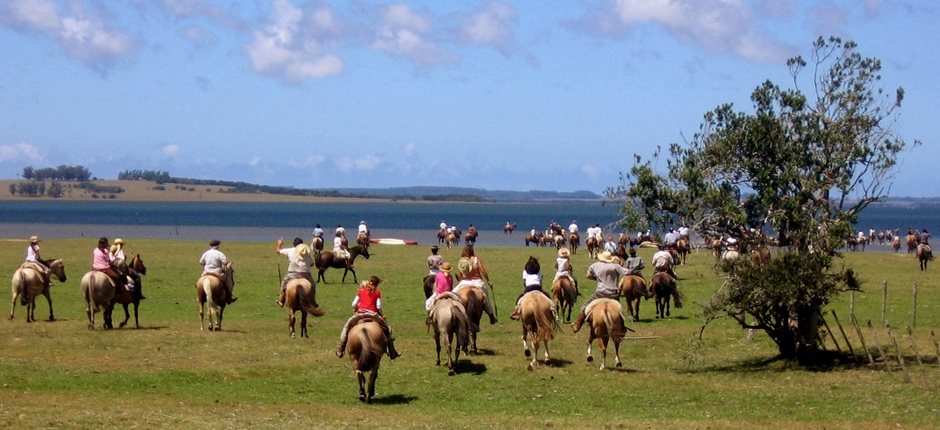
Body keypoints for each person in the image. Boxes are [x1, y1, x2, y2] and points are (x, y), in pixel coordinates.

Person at [336, 276, 401, 359]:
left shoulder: (361, 291)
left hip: (360, 314)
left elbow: (353, 304)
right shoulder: (377, 292)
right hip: (373, 314)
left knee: (346, 327)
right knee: (388, 329)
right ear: (377, 285)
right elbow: (378, 306)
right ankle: (392, 351)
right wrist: (380, 313)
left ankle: (340, 348)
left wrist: (356, 309)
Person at [571, 251, 630, 333]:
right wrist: (621, 266)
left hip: (600, 293)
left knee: (584, 306)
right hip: (613, 294)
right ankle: (622, 328)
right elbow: (627, 272)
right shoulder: (616, 266)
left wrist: (598, 279)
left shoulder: (594, 265)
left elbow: (588, 275)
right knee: (619, 312)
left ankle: (578, 325)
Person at [454, 244, 498, 324]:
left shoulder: (463, 260)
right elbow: (482, 270)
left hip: (464, 282)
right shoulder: (476, 259)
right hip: (477, 282)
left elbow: (460, 274)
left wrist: (459, 281)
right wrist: (488, 281)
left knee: (453, 295)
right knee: (485, 298)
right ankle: (491, 316)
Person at [276, 237, 316, 307]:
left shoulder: (290, 250)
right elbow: (312, 264)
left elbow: (278, 251)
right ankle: (313, 301)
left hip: (292, 274)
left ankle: (282, 299)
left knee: (284, 284)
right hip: (305, 274)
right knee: (313, 286)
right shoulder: (306, 252)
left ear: (294, 244)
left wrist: (280, 244)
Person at [200, 239, 236, 303]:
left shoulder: (206, 253)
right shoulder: (220, 254)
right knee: (228, 282)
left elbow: (201, 262)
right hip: (217, 272)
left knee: (199, 281)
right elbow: (225, 262)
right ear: (218, 246)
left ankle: (199, 297)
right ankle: (229, 296)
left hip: (206, 272)